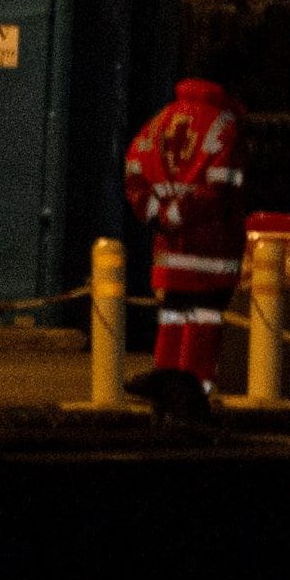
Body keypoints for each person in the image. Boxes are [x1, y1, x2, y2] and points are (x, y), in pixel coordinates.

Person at [123, 65, 247, 396]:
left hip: (169, 249)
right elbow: (222, 188)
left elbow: (134, 172)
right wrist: (180, 213)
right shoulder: (223, 124)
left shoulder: (159, 120)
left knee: (172, 319)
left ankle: (164, 392)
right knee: (204, 322)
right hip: (210, 249)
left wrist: (157, 214)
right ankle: (193, 398)